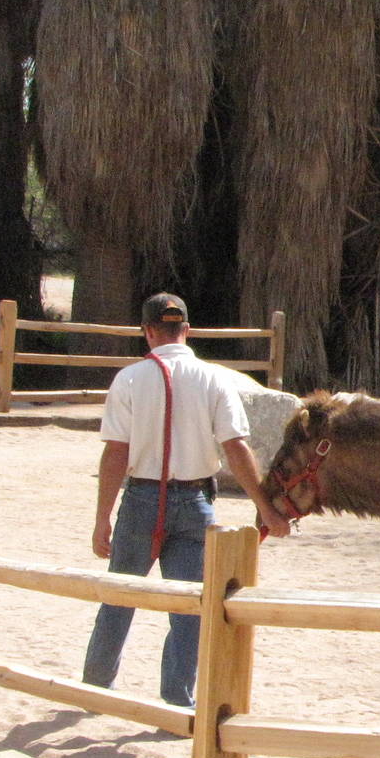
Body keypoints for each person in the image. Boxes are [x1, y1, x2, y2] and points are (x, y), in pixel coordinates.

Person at [81, 292, 292, 707]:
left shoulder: (128, 379)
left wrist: (102, 517)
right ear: (187, 330)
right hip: (195, 501)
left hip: (141, 499)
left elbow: (115, 454)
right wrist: (266, 507)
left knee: (119, 598)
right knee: (190, 608)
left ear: (148, 332)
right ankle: (178, 700)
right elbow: (236, 447)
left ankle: (94, 690)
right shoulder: (215, 378)